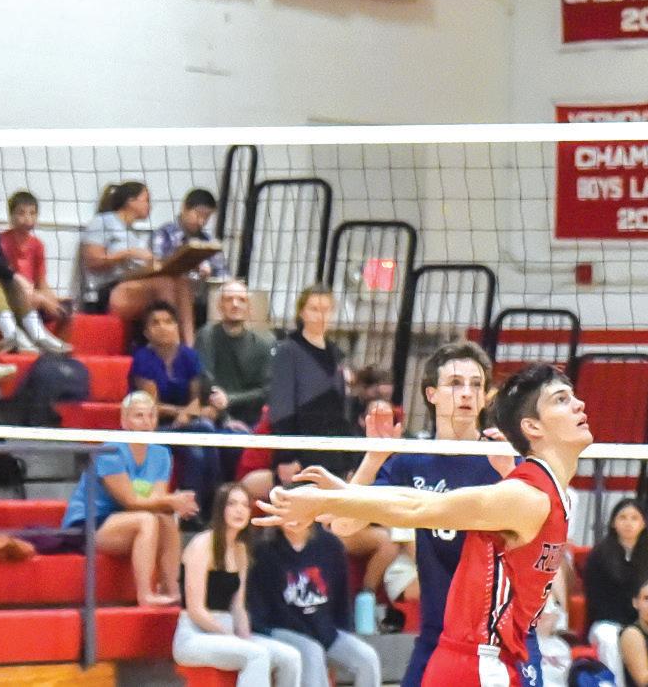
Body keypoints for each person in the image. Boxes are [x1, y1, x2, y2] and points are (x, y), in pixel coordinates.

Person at [254, 363, 590, 687]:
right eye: (561, 399)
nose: (579, 404)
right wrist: (330, 499)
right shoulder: (527, 496)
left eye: (476, 383)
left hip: (497, 652)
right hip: (476, 657)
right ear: (532, 427)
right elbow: (418, 504)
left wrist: (341, 495)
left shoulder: (537, 486)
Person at [334, 342, 523, 686]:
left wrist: (511, 476)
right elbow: (345, 524)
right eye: (455, 383)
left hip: (495, 642)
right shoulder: (412, 461)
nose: (466, 393)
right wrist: (374, 458)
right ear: (431, 394)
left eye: (476, 384)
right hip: (437, 637)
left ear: (485, 398)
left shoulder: (504, 460)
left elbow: (538, 541)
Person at [60, 391, 198, 606]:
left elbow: (157, 499)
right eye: (139, 416)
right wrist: (172, 501)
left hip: (127, 519)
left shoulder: (161, 454)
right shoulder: (110, 450)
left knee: (165, 518)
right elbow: (130, 501)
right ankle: (145, 594)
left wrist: (176, 503)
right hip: (91, 522)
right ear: (124, 421)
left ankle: (171, 589)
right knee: (147, 520)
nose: (147, 422)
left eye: (151, 416)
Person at [172, 483, 302, 687]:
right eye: (232, 504)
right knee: (257, 655)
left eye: (244, 505)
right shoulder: (202, 544)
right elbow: (196, 610)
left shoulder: (240, 550)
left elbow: (238, 607)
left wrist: (244, 636)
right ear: (220, 509)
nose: (239, 510)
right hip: (195, 635)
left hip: (228, 630)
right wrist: (231, 636)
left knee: (290, 657)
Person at [248, 517, 381, 687]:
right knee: (312, 651)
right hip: (281, 629)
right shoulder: (263, 549)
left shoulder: (331, 545)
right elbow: (261, 607)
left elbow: (341, 598)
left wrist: (341, 632)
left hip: (325, 631)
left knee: (367, 658)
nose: (292, 517)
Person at [130, 300, 231, 517]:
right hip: (154, 427)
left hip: (188, 425)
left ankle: (194, 512)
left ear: (177, 326)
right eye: (155, 323)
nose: (163, 327)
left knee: (200, 447)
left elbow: (195, 398)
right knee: (205, 431)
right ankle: (207, 509)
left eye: (168, 321)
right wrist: (183, 413)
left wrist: (188, 414)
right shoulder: (142, 359)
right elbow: (152, 407)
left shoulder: (189, 356)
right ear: (146, 332)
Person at [79, 181, 197, 342]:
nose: (150, 206)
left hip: (134, 285)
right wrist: (127, 254)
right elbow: (93, 261)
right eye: (146, 200)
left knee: (182, 282)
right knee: (164, 284)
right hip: (107, 290)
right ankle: (170, 342)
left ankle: (189, 346)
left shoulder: (133, 234)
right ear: (131, 201)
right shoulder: (102, 222)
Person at [0, 181, 70, 353]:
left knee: (8, 279)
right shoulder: (0, 237)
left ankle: (37, 333)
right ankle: (11, 333)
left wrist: (15, 277)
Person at [267, 284, 355, 477]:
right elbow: (281, 409)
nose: (320, 315)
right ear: (301, 312)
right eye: (314, 309)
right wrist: (287, 457)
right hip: (301, 456)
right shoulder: (288, 351)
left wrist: (350, 459)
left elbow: (342, 412)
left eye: (326, 309)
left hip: (334, 454)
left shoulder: (336, 354)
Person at [586, 499, 648, 685]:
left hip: (640, 622)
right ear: (613, 523)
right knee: (609, 638)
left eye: (634, 518)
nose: (628, 523)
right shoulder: (599, 555)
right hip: (606, 622)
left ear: (643, 524)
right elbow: (595, 599)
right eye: (623, 517)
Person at [194, 279, 274, 432]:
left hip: (250, 419)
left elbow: (267, 390)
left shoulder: (265, 343)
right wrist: (226, 417)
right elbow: (206, 380)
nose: (235, 304)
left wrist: (230, 399)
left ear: (249, 306)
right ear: (219, 305)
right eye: (229, 299)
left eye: (241, 300)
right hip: (214, 416)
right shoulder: (207, 336)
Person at [153, 188, 229, 325]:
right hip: (169, 301)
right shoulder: (164, 235)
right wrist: (189, 265)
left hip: (202, 304)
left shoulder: (210, 243)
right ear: (184, 208)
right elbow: (158, 268)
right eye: (198, 214)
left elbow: (224, 275)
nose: (201, 221)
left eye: (207, 217)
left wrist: (211, 276)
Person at [0, 190, 68, 324]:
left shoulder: (37, 245)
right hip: (9, 293)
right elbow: (6, 280)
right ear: (11, 216)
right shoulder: (1, 242)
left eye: (32, 213)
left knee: (66, 309)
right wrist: (41, 299)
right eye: (21, 213)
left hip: (32, 293)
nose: (27, 219)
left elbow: (41, 281)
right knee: (37, 300)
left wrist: (52, 299)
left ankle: (59, 339)